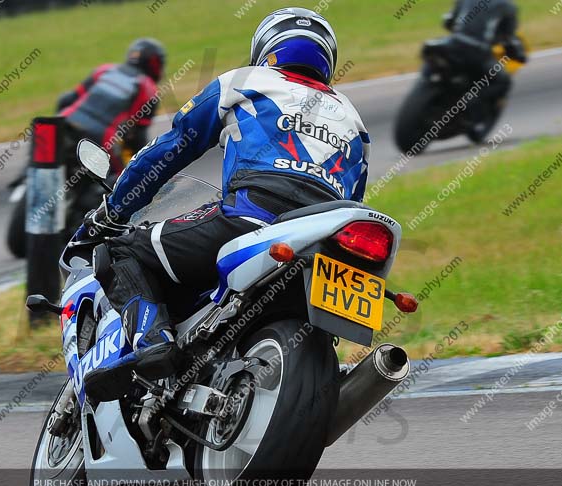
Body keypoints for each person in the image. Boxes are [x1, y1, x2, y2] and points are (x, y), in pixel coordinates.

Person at [83, 7, 371, 401]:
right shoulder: (354, 120)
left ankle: (153, 342)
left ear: (266, 47)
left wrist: (113, 209)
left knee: (121, 251)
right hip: (325, 239)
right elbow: (355, 197)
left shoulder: (247, 80)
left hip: (253, 216)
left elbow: (171, 148)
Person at [58, 38, 166, 176]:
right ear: (154, 63)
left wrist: (60, 118)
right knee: (123, 179)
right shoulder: (148, 87)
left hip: (65, 119)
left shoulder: (105, 69)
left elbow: (65, 99)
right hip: (101, 137)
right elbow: (138, 138)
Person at [442, 0, 526, 122]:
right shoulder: (507, 6)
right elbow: (509, 39)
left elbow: (448, 22)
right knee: (504, 81)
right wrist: (519, 54)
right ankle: (466, 109)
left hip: (452, 44)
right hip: (477, 50)